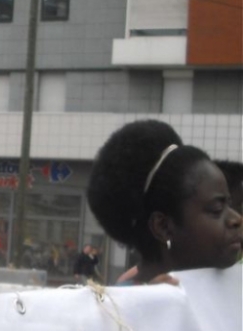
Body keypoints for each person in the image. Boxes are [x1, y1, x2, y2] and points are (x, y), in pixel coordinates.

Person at [86, 120, 242, 284]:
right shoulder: (115, 307)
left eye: (230, 205)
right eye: (217, 209)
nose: (237, 219)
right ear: (163, 227)